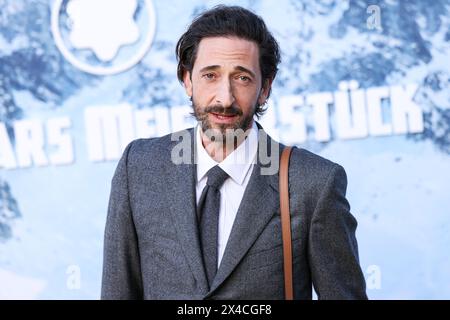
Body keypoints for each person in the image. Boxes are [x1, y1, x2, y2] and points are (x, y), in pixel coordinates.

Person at [101, 5, 367, 300]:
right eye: (210, 75)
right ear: (187, 80)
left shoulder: (313, 183)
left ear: (265, 87)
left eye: (242, 78)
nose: (225, 98)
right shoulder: (139, 167)